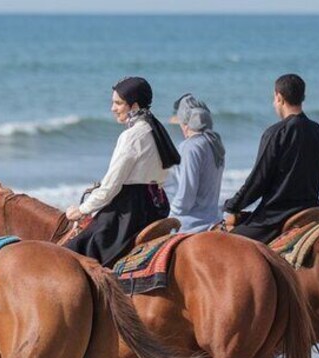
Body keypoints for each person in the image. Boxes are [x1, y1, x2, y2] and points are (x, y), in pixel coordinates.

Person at [65, 76, 180, 267]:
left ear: (133, 106)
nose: (113, 108)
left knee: (70, 256)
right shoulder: (155, 131)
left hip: (127, 213)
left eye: (118, 103)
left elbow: (111, 186)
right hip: (155, 207)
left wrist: (81, 210)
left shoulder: (131, 136)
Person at [223, 73, 319, 243]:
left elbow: (258, 180)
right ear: (302, 97)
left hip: (276, 216)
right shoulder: (317, 130)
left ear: (279, 97)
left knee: (226, 243)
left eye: (274, 99)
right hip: (310, 209)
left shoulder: (276, 133)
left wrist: (232, 206)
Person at [167, 93, 225, 233]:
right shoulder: (215, 144)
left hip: (190, 224)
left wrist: (169, 215)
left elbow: (186, 196)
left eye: (181, 124)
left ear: (186, 125)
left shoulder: (190, 147)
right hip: (212, 219)